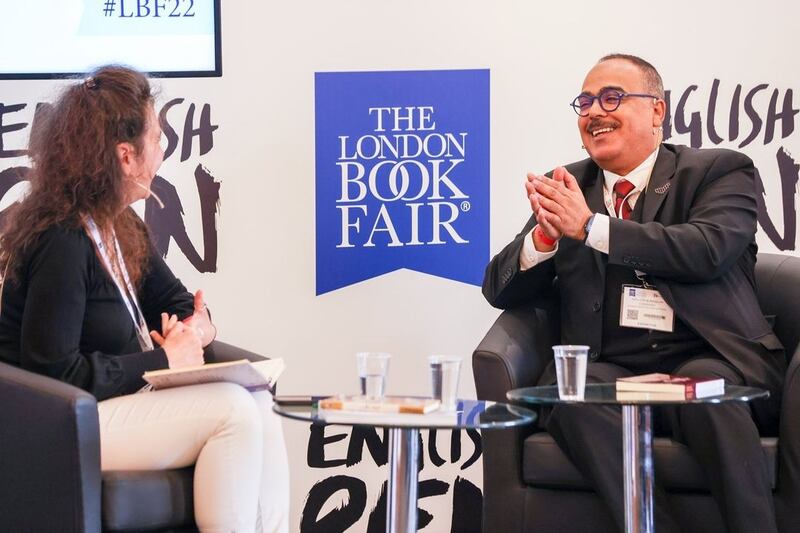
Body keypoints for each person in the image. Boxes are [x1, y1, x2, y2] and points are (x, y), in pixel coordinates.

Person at [482, 54, 785, 532]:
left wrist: (591, 227)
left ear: (657, 111)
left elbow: (706, 250)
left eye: (612, 98)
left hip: (710, 356)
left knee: (711, 400)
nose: (594, 112)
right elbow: (499, 289)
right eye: (585, 102)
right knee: (570, 396)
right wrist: (541, 241)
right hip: (609, 367)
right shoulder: (569, 184)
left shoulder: (719, 171)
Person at [0, 66, 289, 533]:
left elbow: (177, 301)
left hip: (120, 404)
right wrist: (163, 358)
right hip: (62, 425)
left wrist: (199, 328)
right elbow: (53, 371)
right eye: (157, 139)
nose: (162, 150)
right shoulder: (63, 238)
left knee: (256, 402)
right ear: (125, 155)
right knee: (233, 411)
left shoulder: (123, 226)